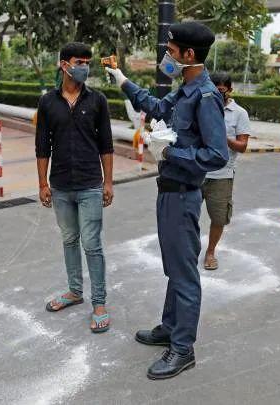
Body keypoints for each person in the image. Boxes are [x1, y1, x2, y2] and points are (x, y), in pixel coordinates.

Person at [106, 22, 228, 379]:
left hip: (184, 195)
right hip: (168, 193)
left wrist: (172, 153)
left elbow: (217, 154)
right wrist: (122, 79)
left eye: (171, 51)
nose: (167, 56)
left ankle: (183, 348)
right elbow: (157, 106)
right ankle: (170, 327)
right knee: (174, 267)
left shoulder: (205, 96)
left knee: (184, 274)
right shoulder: (185, 89)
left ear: (189, 55)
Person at [36, 42, 114, 333]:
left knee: (92, 244)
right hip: (60, 186)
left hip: (90, 184)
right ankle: (74, 291)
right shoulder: (48, 102)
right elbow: (42, 145)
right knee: (69, 239)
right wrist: (43, 183)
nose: (84, 66)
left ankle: (100, 303)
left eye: (86, 62)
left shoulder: (97, 100)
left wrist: (108, 181)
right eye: (79, 61)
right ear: (63, 64)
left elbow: (106, 144)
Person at [202, 72, 250, 270]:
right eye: (215, 88)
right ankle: (187, 251)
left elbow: (243, 145)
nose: (219, 92)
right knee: (187, 215)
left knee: (219, 217)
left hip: (222, 174)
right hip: (196, 171)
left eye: (222, 88)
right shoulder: (200, 108)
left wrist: (224, 136)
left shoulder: (239, 113)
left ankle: (210, 251)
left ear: (229, 89)